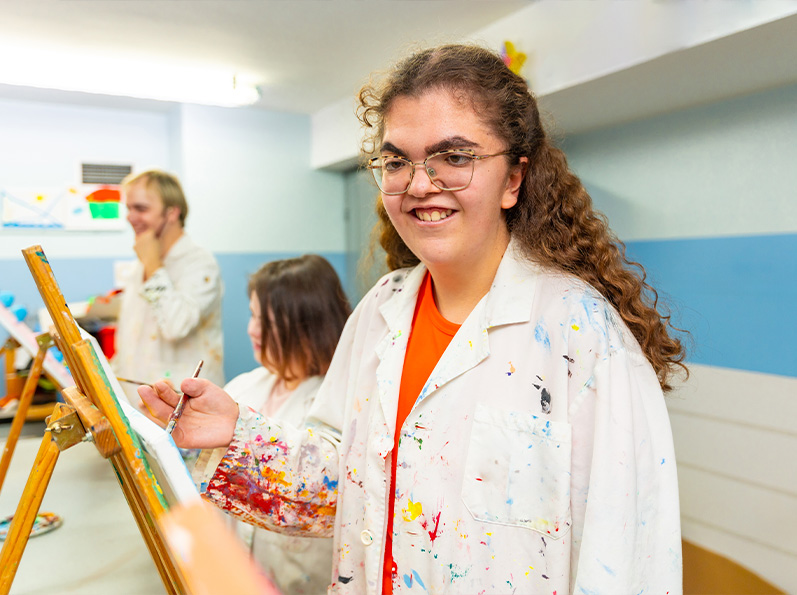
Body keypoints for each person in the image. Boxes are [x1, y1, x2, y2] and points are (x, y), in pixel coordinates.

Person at [141, 44, 688, 595]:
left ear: (513, 180)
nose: (420, 184)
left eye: (454, 157)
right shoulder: (381, 310)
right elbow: (346, 485)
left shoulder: (584, 337)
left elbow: (628, 558)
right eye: (397, 161)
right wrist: (237, 433)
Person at [192, 255, 351, 594]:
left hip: (306, 579)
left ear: (308, 323)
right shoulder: (242, 388)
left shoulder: (343, 402)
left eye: (266, 320)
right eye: (252, 315)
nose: (251, 330)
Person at [114, 169, 224, 405]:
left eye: (141, 209)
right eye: (129, 208)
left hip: (184, 406)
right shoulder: (140, 266)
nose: (131, 217)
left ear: (172, 212)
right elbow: (128, 338)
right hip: (138, 402)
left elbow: (176, 326)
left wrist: (153, 267)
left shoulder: (199, 263)